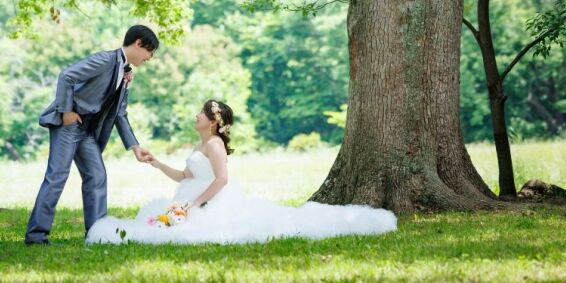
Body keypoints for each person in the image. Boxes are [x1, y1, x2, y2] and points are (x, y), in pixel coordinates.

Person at [86, 100, 397, 244]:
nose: (196, 115)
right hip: (191, 197)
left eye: (201, 113)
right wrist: (156, 163)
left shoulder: (215, 145)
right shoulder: (201, 144)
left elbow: (222, 179)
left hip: (211, 200)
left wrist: (195, 205)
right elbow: (184, 177)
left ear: (212, 121)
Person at [25, 25, 157, 245]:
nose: (150, 58)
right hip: (69, 125)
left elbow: (120, 113)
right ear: (138, 43)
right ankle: (36, 236)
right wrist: (66, 111)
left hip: (86, 130)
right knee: (57, 176)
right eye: (149, 52)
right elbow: (67, 76)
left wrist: (135, 147)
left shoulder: (124, 72)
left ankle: (97, 235)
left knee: (97, 176)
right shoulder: (105, 59)